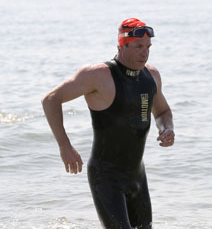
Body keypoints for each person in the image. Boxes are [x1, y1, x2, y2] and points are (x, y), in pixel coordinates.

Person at [42, 18, 175, 229]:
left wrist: (167, 128)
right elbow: (50, 100)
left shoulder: (152, 76)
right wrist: (64, 146)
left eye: (148, 47)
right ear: (122, 45)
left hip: (137, 176)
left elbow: (163, 111)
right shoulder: (98, 75)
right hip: (106, 177)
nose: (145, 53)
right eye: (139, 47)